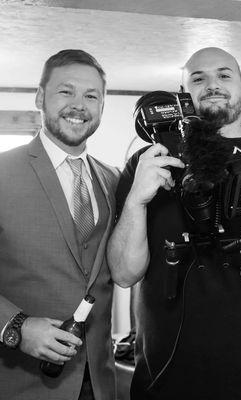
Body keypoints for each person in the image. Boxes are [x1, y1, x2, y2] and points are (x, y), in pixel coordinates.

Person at [107, 47, 241, 399]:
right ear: (183, 94)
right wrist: (136, 199)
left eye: (224, 75)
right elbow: (123, 274)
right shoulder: (151, 162)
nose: (212, 85)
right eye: (198, 78)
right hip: (169, 380)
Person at [0, 49, 119, 400]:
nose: (79, 105)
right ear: (40, 97)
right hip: (19, 382)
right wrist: (16, 327)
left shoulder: (113, 180)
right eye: (66, 91)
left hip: (97, 382)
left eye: (91, 95)